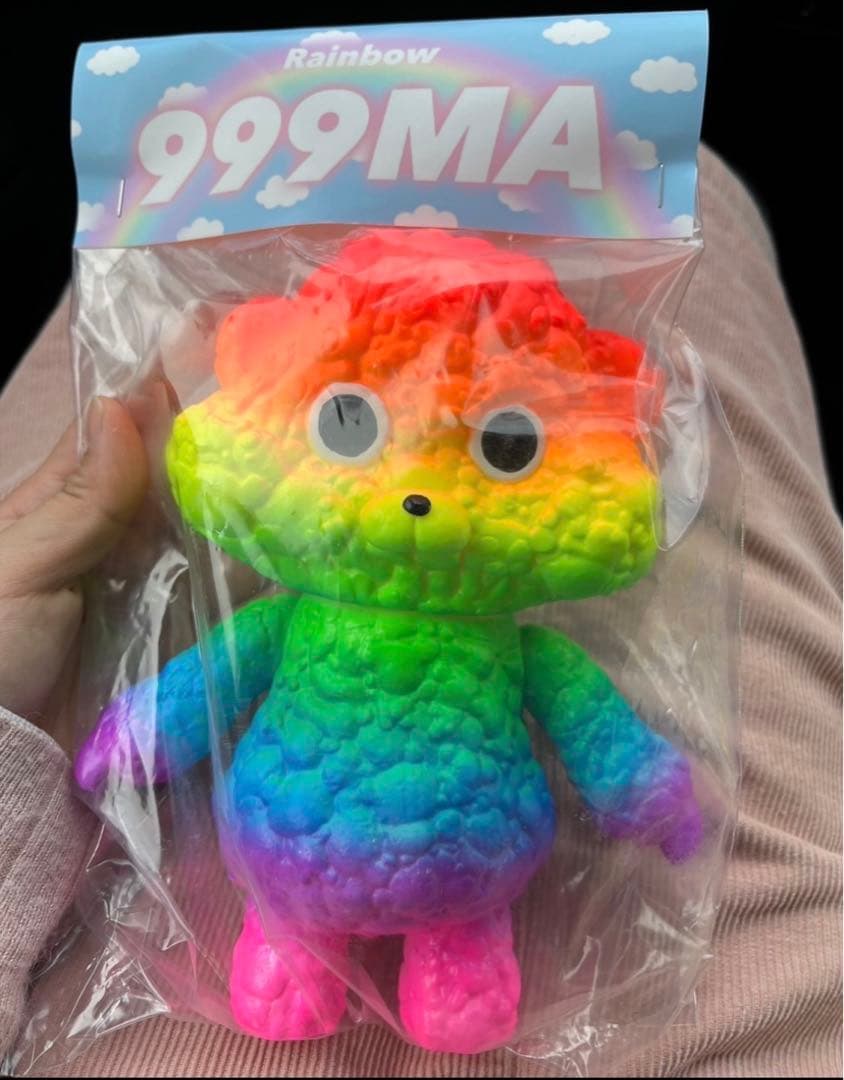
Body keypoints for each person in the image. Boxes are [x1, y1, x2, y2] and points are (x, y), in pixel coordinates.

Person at [0, 147, 840, 1078]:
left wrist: (649, 793)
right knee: (304, 968)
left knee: (448, 980)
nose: (417, 492)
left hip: (447, 867)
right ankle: (309, 953)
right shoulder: (291, 620)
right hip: (320, 860)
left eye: (507, 445)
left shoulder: (504, 643)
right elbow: (209, 679)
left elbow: (591, 721)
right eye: (348, 423)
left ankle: (439, 962)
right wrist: (140, 738)